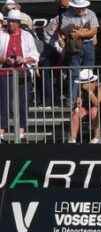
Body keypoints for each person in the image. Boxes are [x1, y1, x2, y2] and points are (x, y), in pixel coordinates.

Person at [0, 9, 39, 141]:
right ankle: (1, 131)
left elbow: (35, 55)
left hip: (23, 73)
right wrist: (5, 59)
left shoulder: (27, 36)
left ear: (18, 23)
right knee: (4, 102)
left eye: (14, 22)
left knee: (23, 102)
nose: (11, 24)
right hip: (5, 72)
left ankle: (22, 130)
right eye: (9, 21)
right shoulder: (2, 35)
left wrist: (23, 59)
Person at [68, 68, 101, 143]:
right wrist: (78, 103)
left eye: (84, 83)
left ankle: (97, 136)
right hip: (86, 108)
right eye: (82, 83)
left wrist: (90, 91)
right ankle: (72, 139)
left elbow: (97, 103)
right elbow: (79, 100)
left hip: (100, 110)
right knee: (75, 113)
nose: (82, 85)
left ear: (92, 82)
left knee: (94, 111)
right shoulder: (82, 88)